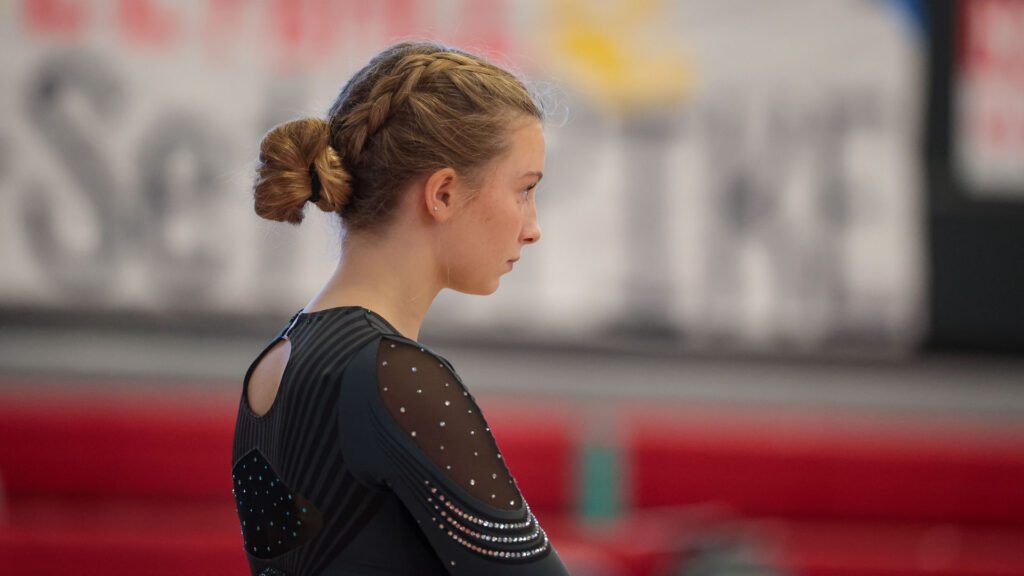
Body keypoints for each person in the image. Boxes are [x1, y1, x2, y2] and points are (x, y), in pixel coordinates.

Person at [231, 41, 570, 575]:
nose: (533, 227)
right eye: (525, 190)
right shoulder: (396, 376)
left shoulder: (273, 364)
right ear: (442, 194)